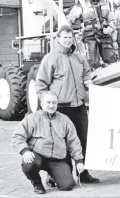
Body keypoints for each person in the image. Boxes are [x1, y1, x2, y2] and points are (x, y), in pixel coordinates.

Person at [35, 25, 100, 184]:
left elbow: (86, 74)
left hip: (79, 106)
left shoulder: (79, 57)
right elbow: (41, 84)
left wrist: (87, 81)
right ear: (58, 39)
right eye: (64, 37)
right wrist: (47, 103)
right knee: (61, 143)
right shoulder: (50, 58)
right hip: (61, 108)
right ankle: (57, 174)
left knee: (83, 140)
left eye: (70, 37)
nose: (68, 40)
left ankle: (83, 173)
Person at [12, 91, 85, 194]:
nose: (51, 105)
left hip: (57, 159)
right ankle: (37, 183)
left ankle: (52, 176)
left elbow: (73, 141)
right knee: (28, 164)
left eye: (54, 103)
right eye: (48, 102)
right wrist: (25, 151)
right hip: (37, 156)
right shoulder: (32, 118)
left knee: (67, 185)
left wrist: (78, 161)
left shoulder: (65, 120)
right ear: (41, 103)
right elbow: (18, 136)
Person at [67, 0, 118, 70]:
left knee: (111, 59)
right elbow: (71, 17)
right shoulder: (82, 4)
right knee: (93, 61)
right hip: (89, 35)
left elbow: (113, 20)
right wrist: (67, 26)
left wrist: (109, 29)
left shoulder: (105, 4)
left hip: (104, 34)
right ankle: (94, 75)